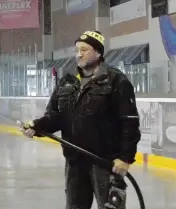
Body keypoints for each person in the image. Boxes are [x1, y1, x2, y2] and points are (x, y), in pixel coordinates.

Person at [21, 30, 141, 209]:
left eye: (84, 50)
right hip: (75, 162)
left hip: (105, 163)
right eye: (77, 49)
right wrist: (38, 126)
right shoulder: (67, 81)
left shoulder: (117, 81)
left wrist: (125, 158)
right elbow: (55, 116)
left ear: (98, 53)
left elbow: (129, 122)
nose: (79, 54)